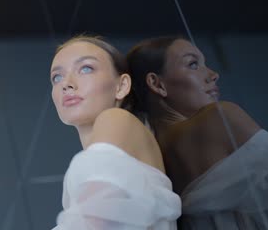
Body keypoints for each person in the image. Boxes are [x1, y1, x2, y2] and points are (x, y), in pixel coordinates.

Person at [126, 36, 268, 229]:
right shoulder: (219, 117)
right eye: (193, 64)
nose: (213, 74)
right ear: (157, 84)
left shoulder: (146, 160)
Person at [50, 36, 181, 230]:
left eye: (86, 68)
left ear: (121, 86)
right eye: (57, 77)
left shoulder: (115, 118)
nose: (66, 84)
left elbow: (97, 220)